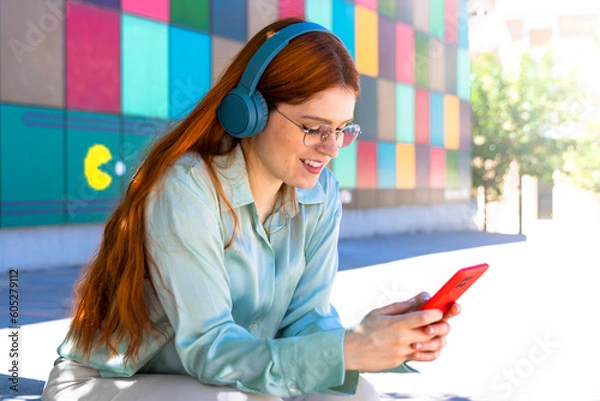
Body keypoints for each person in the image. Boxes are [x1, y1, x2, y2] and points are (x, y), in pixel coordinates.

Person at [41, 18, 460, 401]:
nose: (331, 149)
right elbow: (211, 351)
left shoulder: (320, 192)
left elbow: (304, 324)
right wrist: (345, 350)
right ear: (250, 112)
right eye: (314, 128)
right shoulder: (187, 188)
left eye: (341, 130)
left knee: (360, 395)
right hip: (108, 382)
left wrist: (379, 342)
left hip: (216, 379)